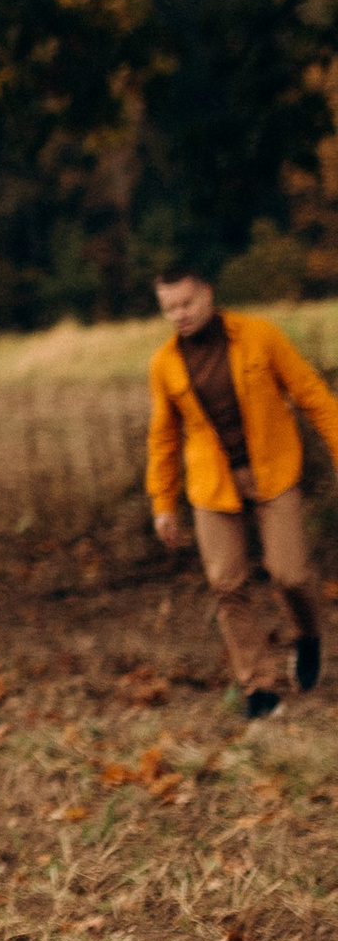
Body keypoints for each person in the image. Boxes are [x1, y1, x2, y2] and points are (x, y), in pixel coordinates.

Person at [147, 256, 338, 723]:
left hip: (273, 472)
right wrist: (163, 503)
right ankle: (260, 687)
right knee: (226, 584)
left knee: (289, 574)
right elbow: (163, 438)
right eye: (169, 308)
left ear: (208, 293)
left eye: (187, 303)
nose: (181, 315)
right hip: (213, 487)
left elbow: (312, 395)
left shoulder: (260, 336)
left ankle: (307, 635)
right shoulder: (165, 364)